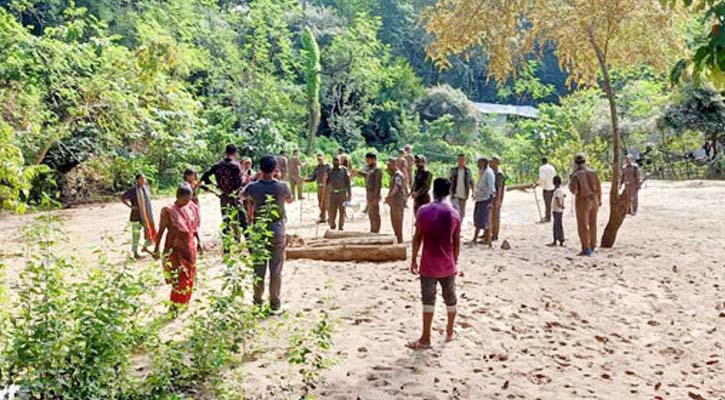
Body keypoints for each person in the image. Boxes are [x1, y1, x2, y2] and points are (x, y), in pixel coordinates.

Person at [407, 178, 462, 350]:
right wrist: (454, 262)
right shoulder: (454, 214)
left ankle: (425, 337)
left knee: (428, 300)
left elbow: (418, 237)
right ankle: (450, 330)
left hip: (429, 264)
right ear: (449, 192)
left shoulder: (424, 211)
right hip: (447, 264)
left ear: (433, 191)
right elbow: (456, 242)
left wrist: (414, 258)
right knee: (450, 297)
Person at [242, 155, 294, 314]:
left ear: (260, 169)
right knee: (276, 269)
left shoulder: (253, 187)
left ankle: (257, 303)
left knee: (259, 269)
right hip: (277, 229)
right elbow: (290, 200)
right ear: (275, 169)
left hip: (259, 229)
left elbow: (241, 196)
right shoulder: (282, 186)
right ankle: (275, 304)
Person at [153, 183, 200, 314]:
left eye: (189, 199)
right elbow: (161, 230)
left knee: (190, 276)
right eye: (185, 199)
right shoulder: (168, 211)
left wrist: (199, 242)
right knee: (179, 279)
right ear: (178, 197)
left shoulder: (191, 207)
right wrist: (156, 248)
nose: (187, 202)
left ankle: (184, 304)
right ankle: (174, 307)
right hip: (174, 249)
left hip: (189, 248)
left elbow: (193, 228)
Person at [200, 144, 245, 252]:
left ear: (226, 152)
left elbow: (205, 176)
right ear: (235, 153)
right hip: (234, 196)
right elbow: (239, 183)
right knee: (241, 220)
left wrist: (215, 186)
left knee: (226, 220)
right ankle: (244, 245)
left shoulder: (218, 165)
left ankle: (226, 248)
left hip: (223, 196)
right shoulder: (236, 166)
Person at [568, 153, 602, 256]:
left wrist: (571, 180)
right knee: (593, 223)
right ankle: (593, 244)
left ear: (575, 163)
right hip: (594, 198)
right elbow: (599, 187)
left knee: (583, 225)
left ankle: (586, 248)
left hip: (583, 200)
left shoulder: (576, 175)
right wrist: (599, 200)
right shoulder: (593, 172)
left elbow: (574, 191)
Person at [120, 174, 157, 259]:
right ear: (137, 180)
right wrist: (130, 206)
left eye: (144, 178)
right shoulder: (133, 190)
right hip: (136, 216)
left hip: (147, 216)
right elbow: (122, 197)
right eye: (141, 179)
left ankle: (145, 247)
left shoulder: (146, 189)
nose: (143, 180)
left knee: (150, 231)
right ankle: (135, 253)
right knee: (136, 235)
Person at [472, 158, 496, 247]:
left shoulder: (489, 173)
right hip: (480, 198)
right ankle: (476, 238)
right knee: (478, 219)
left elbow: (491, 188)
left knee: (485, 220)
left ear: (484, 163)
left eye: (479, 163)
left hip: (486, 199)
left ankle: (488, 241)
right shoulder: (482, 172)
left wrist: (490, 201)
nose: (477, 165)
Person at [359, 152, 384, 233]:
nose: (367, 161)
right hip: (368, 192)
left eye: (368, 159)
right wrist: (358, 172)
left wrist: (376, 197)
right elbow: (365, 174)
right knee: (370, 213)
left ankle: (376, 230)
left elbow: (378, 184)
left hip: (374, 192)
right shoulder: (368, 167)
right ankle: (372, 228)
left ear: (373, 159)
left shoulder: (377, 169)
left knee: (375, 213)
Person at [326, 156, 352, 230]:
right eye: (334, 161)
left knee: (342, 210)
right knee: (332, 211)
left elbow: (348, 182)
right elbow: (327, 182)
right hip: (332, 193)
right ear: (332, 162)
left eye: (337, 161)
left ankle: (341, 226)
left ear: (340, 161)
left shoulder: (344, 170)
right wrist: (325, 178)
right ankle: (332, 225)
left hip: (342, 193)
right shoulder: (330, 171)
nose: (336, 162)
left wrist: (349, 194)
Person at [386, 158, 407, 243]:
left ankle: (400, 238)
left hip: (398, 201)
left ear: (394, 164)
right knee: (393, 220)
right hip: (394, 201)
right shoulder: (393, 175)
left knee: (398, 220)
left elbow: (397, 187)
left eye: (389, 165)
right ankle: (397, 237)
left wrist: (389, 196)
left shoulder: (398, 175)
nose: (388, 167)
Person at [183, 169, 203, 252]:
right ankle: (198, 242)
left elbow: (205, 188)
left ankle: (197, 242)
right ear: (186, 176)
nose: (192, 177)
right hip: (188, 205)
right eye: (190, 175)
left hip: (195, 205)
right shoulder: (185, 185)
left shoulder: (195, 183)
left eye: (193, 175)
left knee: (195, 224)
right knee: (191, 224)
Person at [306, 154, 331, 223]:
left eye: (321, 159)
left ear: (323, 159)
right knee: (320, 203)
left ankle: (330, 218)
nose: (319, 161)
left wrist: (327, 179)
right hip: (319, 186)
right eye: (318, 159)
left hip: (326, 187)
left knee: (327, 203)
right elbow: (313, 178)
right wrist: (305, 180)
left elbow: (332, 176)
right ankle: (323, 218)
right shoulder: (317, 168)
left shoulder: (327, 167)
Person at [449, 154, 474, 221]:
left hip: (464, 194)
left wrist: (473, 192)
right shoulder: (453, 170)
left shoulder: (468, 171)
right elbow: (449, 180)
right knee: (454, 211)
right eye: (460, 159)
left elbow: (471, 181)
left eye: (463, 159)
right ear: (457, 160)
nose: (461, 161)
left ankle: (459, 225)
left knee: (462, 212)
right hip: (455, 194)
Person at [490, 156, 506, 241]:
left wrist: (498, 200)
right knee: (491, 216)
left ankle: (495, 234)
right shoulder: (492, 172)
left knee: (495, 216)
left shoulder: (499, 174)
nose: (490, 163)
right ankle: (490, 232)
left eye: (492, 162)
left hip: (496, 198)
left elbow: (499, 188)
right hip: (492, 197)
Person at [537, 156, 557, 222]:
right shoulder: (552, 167)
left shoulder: (542, 168)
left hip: (547, 187)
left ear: (542, 162)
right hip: (553, 187)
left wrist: (538, 184)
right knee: (552, 203)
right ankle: (551, 216)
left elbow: (542, 178)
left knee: (547, 203)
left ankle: (548, 217)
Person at [548, 176, 566, 247]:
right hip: (559, 210)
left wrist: (560, 205)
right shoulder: (561, 190)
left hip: (557, 210)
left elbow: (558, 199)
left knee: (557, 225)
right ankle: (558, 240)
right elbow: (563, 196)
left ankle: (558, 240)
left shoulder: (556, 191)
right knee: (558, 225)